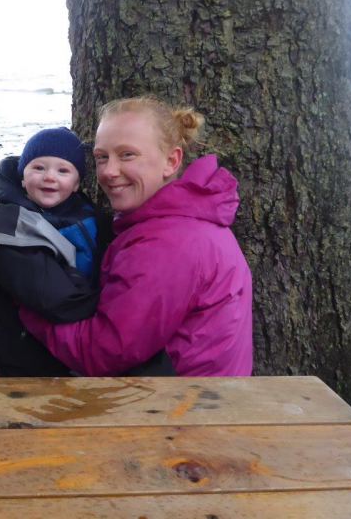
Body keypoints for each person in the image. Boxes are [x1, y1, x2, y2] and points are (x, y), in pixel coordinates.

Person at [19, 96, 253, 377]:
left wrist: (27, 305)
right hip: (203, 398)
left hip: (183, 410)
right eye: (101, 157)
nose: (109, 171)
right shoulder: (188, 218)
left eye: (127, 154)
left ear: (171, 160)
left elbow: (104, 352)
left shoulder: (168, 244)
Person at [0, 127, 100, 376]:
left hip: (75, 346)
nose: (49, 177)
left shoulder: (89, 216)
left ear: (76, 184)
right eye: (38, 168)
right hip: (21, 351)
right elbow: (56, 300)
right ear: (21, 178)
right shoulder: (11, 222)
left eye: (63, 170)